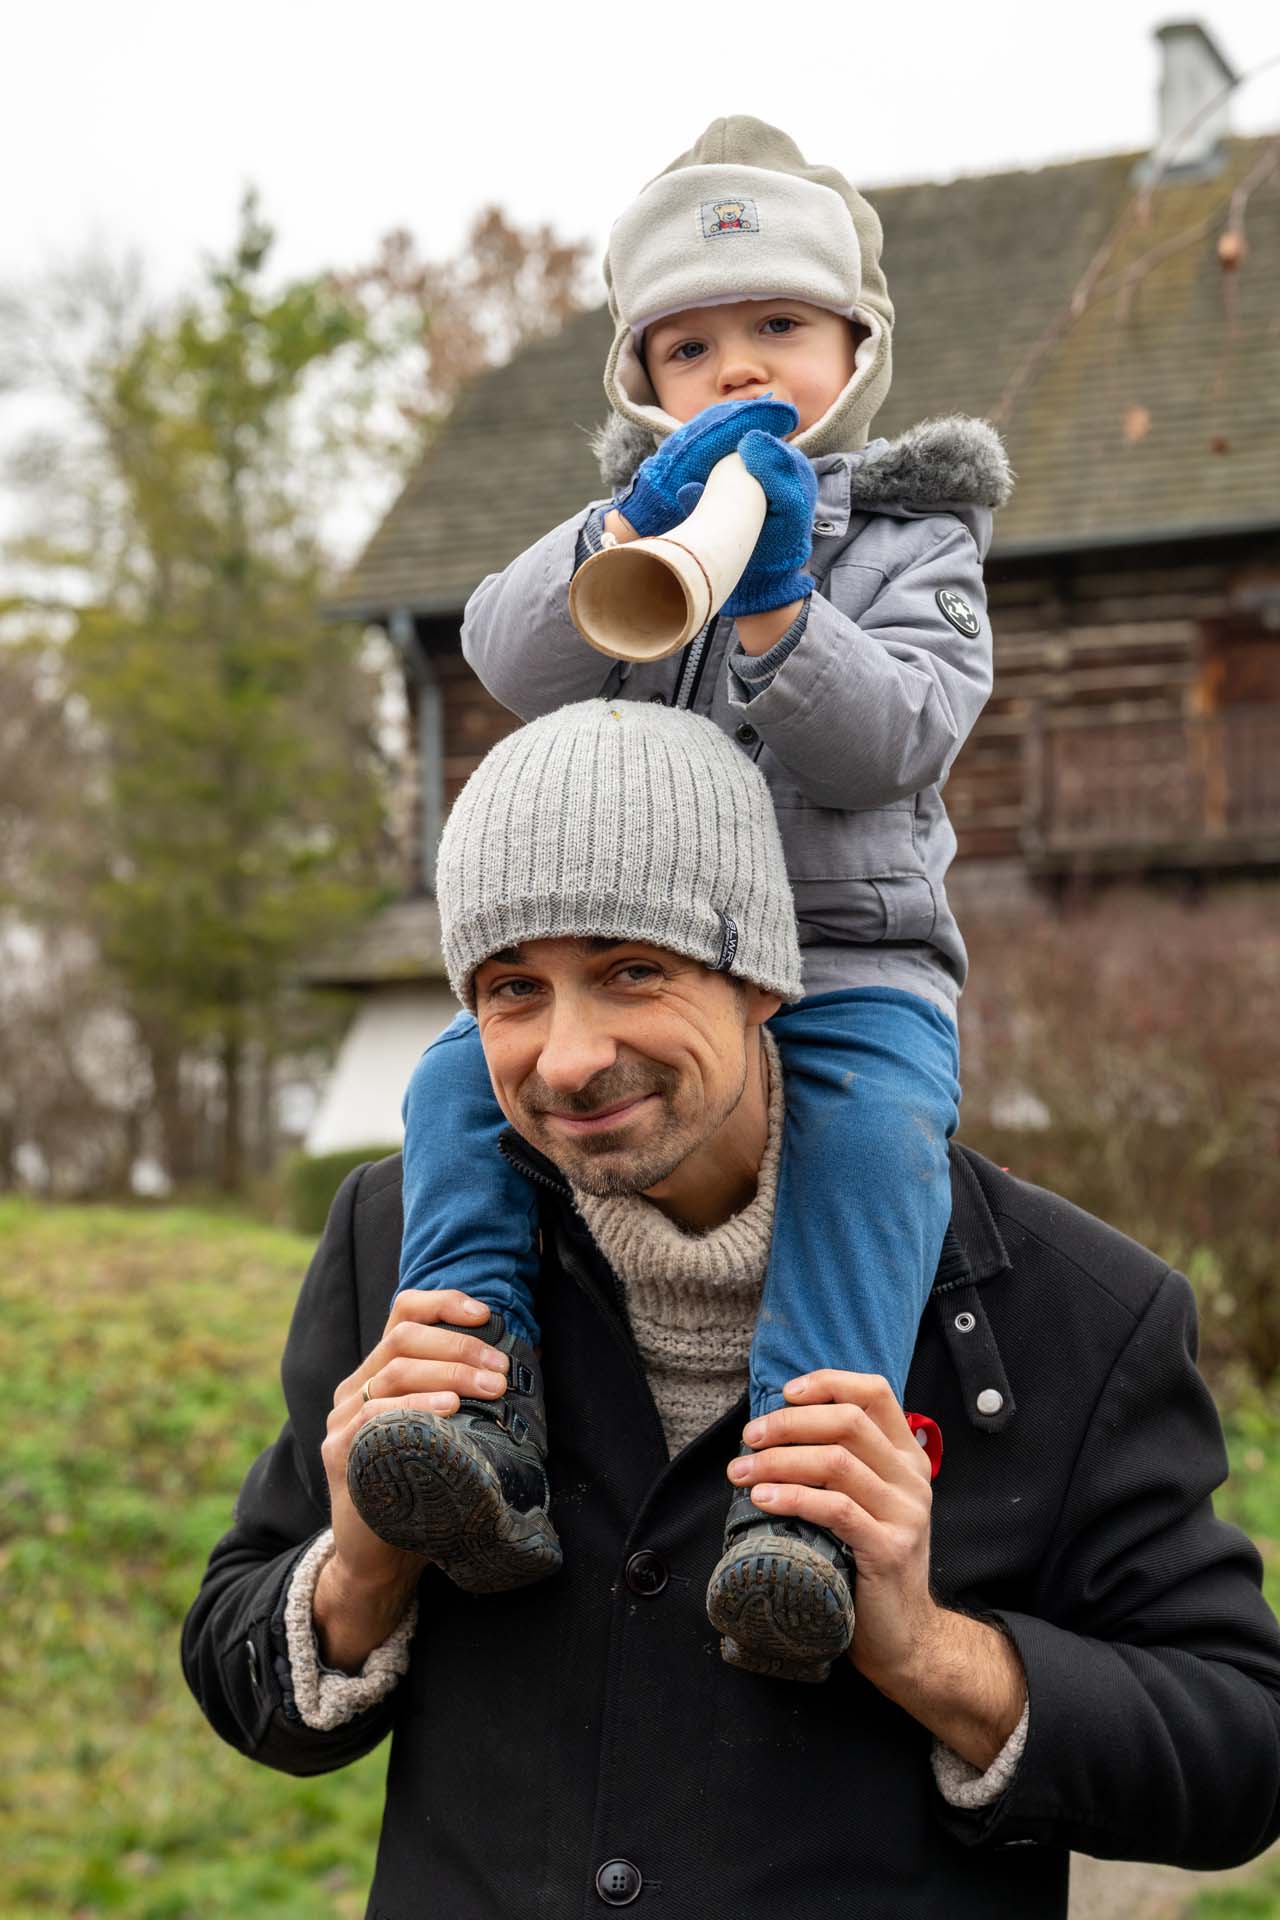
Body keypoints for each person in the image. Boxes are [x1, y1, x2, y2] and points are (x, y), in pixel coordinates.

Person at [182, 701, 1280, 1920]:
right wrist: (360, 1570)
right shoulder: (396, 1248)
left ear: (761, 977)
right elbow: (237, 1674)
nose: (566, 1058)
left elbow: (1239, 1755)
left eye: (630, 971)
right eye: (512, 989)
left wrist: (925, 1651)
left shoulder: (1066, 1308)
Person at [358, 115, 1012, 1681]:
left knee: (872, 1139)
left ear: (856, 345)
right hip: (646, 962)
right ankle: (478, 1411)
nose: (737, 370)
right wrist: (624, 528)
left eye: (777, 324)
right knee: (451, 1084)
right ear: (642, 379)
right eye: (690, 345)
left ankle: (800, 1506)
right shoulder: (638, 510)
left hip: (848, 959)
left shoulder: (915, 536)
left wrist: (784, 607)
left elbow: (899, 743)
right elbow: (507, 655)